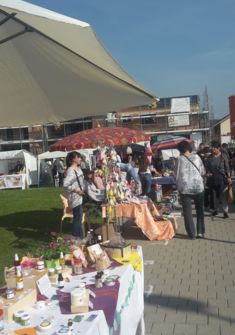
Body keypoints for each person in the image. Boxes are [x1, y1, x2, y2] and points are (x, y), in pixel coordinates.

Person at [175, 141, 205, 239]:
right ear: (189, 147)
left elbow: (176, 174)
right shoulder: (197, 157)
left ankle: (192, 234)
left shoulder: (179, 159)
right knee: (199, 210)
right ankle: (200, 232)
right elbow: (203, 171)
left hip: (185, 188)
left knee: (187, 212)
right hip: (198, 187)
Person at [206, 141, 232, 218]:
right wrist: (208, 172)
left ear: (218, 148)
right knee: (214, 196)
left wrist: (229, 177)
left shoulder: (223, 156)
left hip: (222, 179)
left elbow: (227, 168)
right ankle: (216, 210)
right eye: (212, 148)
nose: (212, 149)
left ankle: (225, 212)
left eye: (214, 148)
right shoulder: (209, 157)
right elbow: (207, 167)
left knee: (223, 196)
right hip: (213, 179)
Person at [63, 152, 85, 238]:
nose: (80, 159)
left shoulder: (78, 169)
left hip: (80, 196)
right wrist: (76, 189)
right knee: (77, 219)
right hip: (75, 197)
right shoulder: (71, 170)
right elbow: (65, 184)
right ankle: (76, 239)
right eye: (78, 157)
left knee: (79, 218)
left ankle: (80, 238)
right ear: (73, 159)